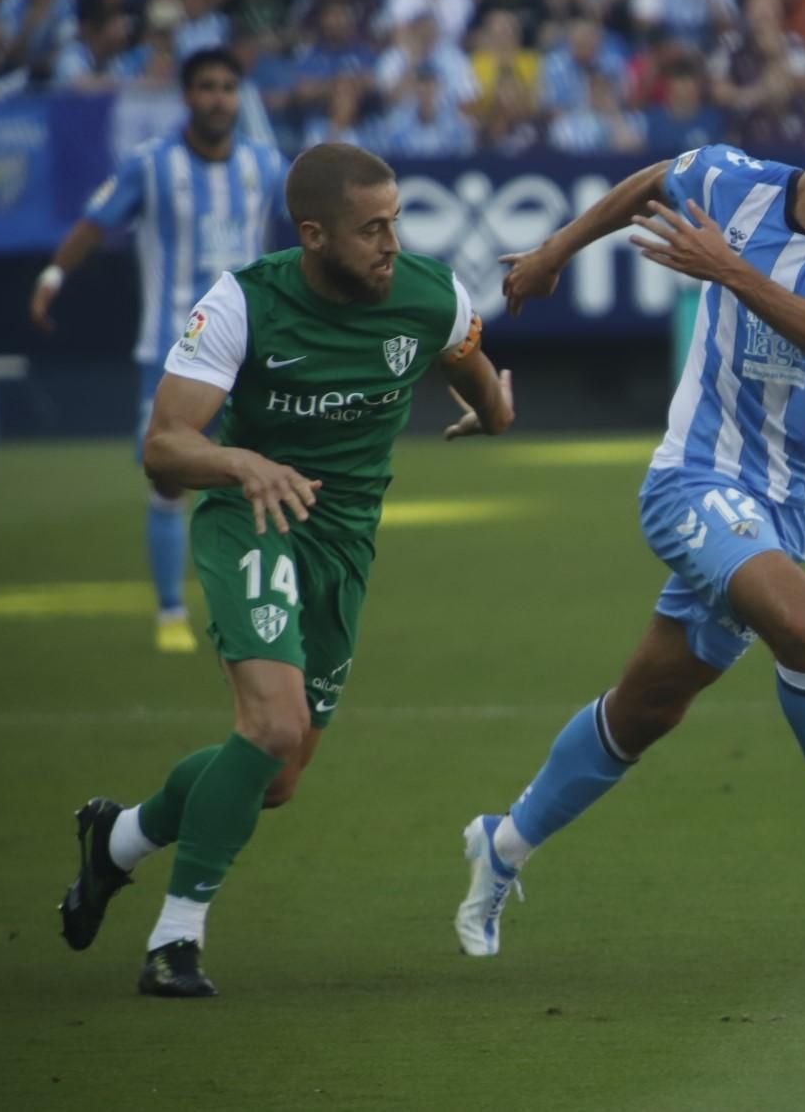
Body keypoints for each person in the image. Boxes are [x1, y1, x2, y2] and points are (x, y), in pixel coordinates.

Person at [454, 67, 805, 958]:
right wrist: (554, 252)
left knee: (647, 705)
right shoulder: (736, 183)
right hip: (693, 478)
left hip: (787, 504)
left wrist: (727, 270)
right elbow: (654, 178)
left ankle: (501, 844)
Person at [57, 144, 517, 996]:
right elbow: (163, 448)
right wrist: (239, 464)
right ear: (313, 234)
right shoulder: (243, 303)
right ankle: (175, 939)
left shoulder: (429, 294)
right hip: (253, 518)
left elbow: (480, 380)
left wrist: (492, 413)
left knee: (276, 776)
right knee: (270, 724)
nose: (392, 241)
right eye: (371, 227)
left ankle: (119, 839)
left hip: (343, 544)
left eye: (396, 220)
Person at [30, 50, 288, 654]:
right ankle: (172, 611)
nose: (219, 97)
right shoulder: (151, 165)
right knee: (169, 478)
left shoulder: (264, 164)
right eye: (207, 87)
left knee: (261, 478)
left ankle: (257, 602)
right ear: (187, 96)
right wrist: (51, 278)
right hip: (173, 351)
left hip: (253, 355)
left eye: (228, 87)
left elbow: (307, 227)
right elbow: (95, 223)